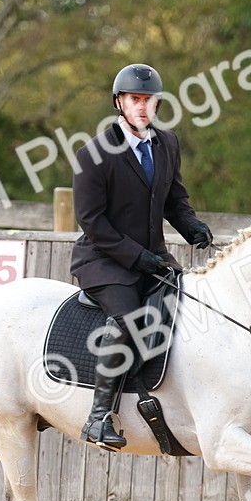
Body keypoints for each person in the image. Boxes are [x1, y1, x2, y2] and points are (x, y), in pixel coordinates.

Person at [70, 63, 213, 450]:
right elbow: (92, 222)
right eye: (135, 99)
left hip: (153, 259)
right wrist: (138, 258)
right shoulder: (94, 154)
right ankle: (99, 418)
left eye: (149, 100)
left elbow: (174, 201)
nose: (142, 107)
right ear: (120, 103)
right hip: (104, 261)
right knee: (128, 318)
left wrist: (192, 227)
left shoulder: (167, 144)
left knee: (195, 307)